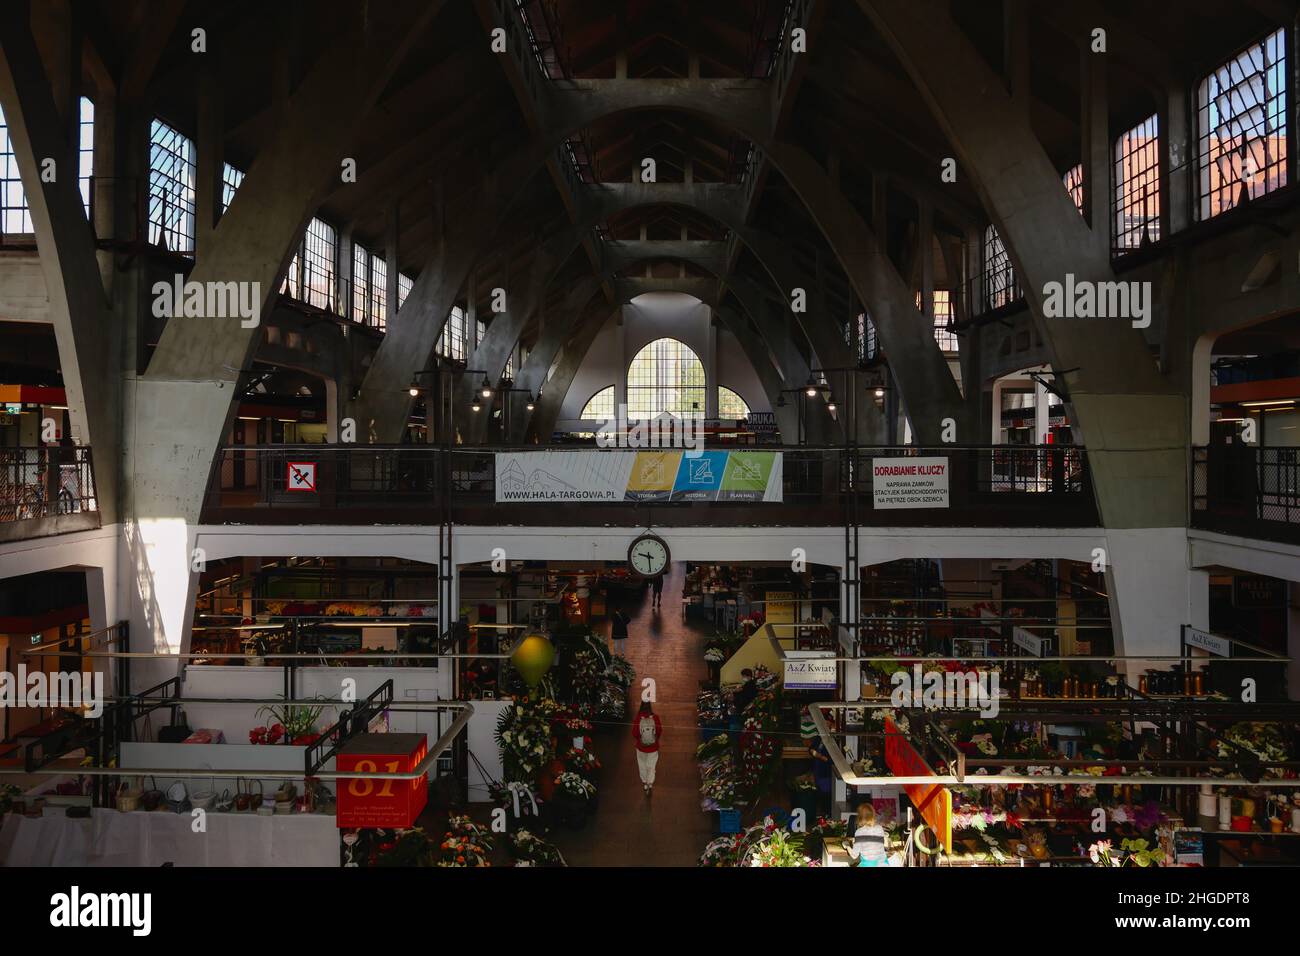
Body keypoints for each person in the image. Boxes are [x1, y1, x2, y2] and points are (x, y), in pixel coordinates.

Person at [632, 701, 662, 796]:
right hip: (653, 748)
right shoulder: (655, 718)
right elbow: (659, 731)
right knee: (651, 767)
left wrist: (640, 739)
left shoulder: (638, 718)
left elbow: (634, 733)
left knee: (642, 765)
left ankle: (644, 783)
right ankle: (650, 783)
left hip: (641, 748)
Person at [850, 802, 888, 867]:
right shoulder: (879, 828)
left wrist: (847, 847)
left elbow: (854, 855)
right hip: (884, 864)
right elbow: (880, 845)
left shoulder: (859, 832)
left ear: (860, 816)